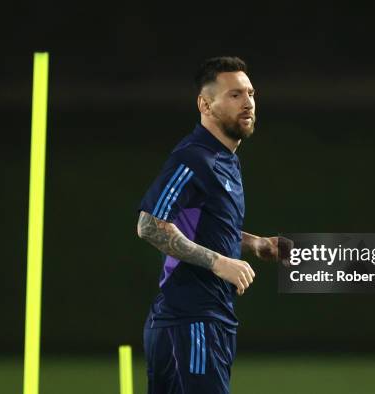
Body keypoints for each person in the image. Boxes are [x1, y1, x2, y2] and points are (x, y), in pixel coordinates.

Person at [136, 56, 289, 394]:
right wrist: (220, 263)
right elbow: (149, 225)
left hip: (204, 318)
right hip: (191, 318)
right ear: (205, 104)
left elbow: (202, 225)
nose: (247, 102)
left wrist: (255, 244)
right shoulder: (193, 157)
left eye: (250, 93)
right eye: (234, 95)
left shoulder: (225, 159)